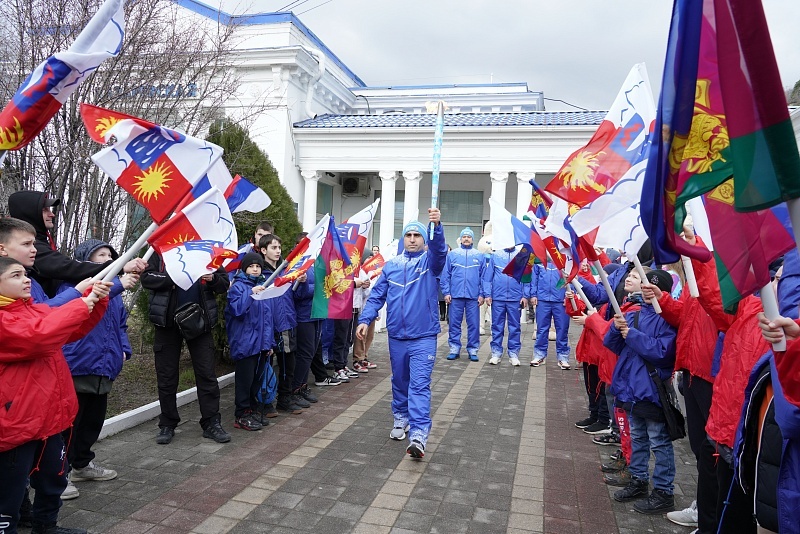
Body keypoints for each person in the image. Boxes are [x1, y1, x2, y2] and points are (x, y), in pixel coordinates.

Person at [0, 256, 108, 534]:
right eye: (15, 275)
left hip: (49, 420)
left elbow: (70, 328)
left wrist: (95, 300)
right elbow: (36, 337)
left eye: (25, 274)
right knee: (8, 494)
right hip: (16, 425)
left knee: (53, 480)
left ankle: (45, 527)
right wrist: (80, 305)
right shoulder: (4, 321)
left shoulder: (32, 309)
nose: (26, 280)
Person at [356, 209, 447, 459]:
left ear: (424, 239)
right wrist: (365, 319)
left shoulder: (430, 263)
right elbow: (377, 296)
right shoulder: (392, 266)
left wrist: (437, 227)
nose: (413, 238)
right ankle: (401, 417)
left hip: (424, 337)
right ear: (403, 238)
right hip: (397, 336)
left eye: (418, 234)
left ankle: (418, 434)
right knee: (400, 381)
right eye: (408, 234)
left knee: (419, 385)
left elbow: (439, 252)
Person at [57, 240, 138, 500]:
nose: (106, 259)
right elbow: (74, 306)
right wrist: (116, 286)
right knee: (70, 424)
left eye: (109, 255)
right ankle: (60, 474)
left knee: (93, 420)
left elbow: (121, 325)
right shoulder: (74, 286)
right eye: (99, 255)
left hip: (105, 365)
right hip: (79, 363)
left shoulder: (114, 295)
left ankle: (82, 464)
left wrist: (124, 348)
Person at [605, 269, 678, 515]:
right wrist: (617, 329)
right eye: (645, 286)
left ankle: (664, 491)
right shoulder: (634, 312)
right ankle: (638, 480)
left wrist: (632, 335)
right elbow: (613, 345)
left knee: (659, 442)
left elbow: (663, 353)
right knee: (638, 438)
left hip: (651, 390)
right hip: (630, 388)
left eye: (653, 288)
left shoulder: (667, 318)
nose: (648, 292)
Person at [140, 253, 231, 445]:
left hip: (199, 322)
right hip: (166, 323)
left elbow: (223, 283)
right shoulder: (160, 250)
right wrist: (175, 277)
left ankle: (211, 422)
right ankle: (167, 423)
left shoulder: (205, 251)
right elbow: (146, 277)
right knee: (166, 376)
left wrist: (213, 278)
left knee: (207, 374)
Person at [7, 190, 146, 297]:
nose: (52, 214)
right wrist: (120, 266)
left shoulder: (42, 242)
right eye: (45, 210)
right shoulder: (35, 248)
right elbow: (69, 268)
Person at [225, 253, 274, 431]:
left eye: (258, 266)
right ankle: (241, 414)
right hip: (245, 343)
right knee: (244, 381)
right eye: (252, 266)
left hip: (261, 344)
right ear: (244, 268)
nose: (255, 269)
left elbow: (267, 319)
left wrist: (269, 344)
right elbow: (236, 310)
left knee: (255, 380)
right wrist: (250, 293)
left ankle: (251, 409)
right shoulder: (238, 287)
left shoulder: (263, 287)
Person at [259, 234, 307, 413]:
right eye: (273, 247)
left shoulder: (286, 272)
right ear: (263, 250)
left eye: (279, 247)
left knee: (288, 363)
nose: (277, 251)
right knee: (266, 363)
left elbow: (296, 297)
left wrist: (300, 283)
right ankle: (265, 401)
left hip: (286, 322)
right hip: (268, 325)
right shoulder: (260, 274)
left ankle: (284, 398)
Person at [440, 227, 485, 362]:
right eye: (464, 236)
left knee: (474, 325)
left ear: (472, 239)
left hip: (473, 296)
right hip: (456, 296)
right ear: (461, 239)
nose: (466, 238)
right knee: (454, 323)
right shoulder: (452, 255)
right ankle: (454, 348)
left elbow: (484, 277)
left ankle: (472, 349)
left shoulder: (479, 255)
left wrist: (482, 294)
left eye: (469, 236)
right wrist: (446, 292)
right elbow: (445, 275)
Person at [482, 246, 530, 366]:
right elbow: (488, 278)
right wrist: (487, 294)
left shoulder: (521, 256)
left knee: (515, 327)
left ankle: (513, 353)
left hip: (515, 298)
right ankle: (496, 353)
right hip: (498, 297)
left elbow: (527, 278)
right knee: (497, 326)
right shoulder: (496, 255)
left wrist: (525, 295)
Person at [531, 262, 571, 369]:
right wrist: (533, 294)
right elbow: (534, 278)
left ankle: (563, 356)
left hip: (561, 300)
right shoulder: (539, 259)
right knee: (542, 328)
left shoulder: (564, 258)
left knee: (562, 329)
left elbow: (573, 276)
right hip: (543, 299)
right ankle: (540, 354)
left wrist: (571, 294)